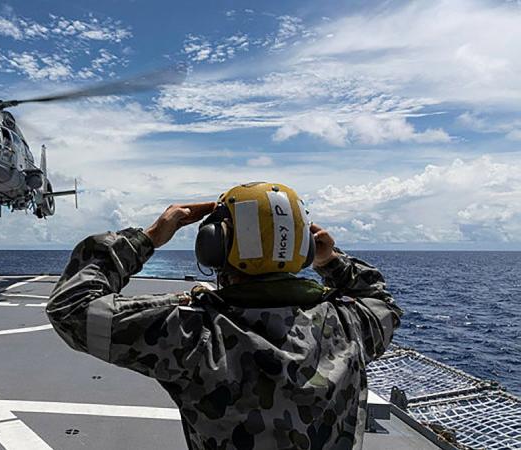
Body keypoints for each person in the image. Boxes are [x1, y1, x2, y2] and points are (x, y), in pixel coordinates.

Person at [46, 182, 402, 450]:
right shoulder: (348, 324)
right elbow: (381, 303)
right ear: (304, 248)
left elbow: (72, 309)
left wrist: (150, 237)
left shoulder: (192, 331)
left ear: (215, 244)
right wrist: (332, 261)